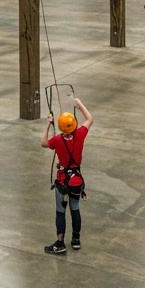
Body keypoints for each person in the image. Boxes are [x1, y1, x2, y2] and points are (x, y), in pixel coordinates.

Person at [41, 97, 93, 255]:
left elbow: (43, 142)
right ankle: (76, 239)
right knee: (75, 209)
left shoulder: (57, 140)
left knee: (60, 211)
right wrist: (79, 104)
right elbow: (90, 119)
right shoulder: (80, 135)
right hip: (76, 180)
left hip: (63, 181)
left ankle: (60, 242)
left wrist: (48, 124)